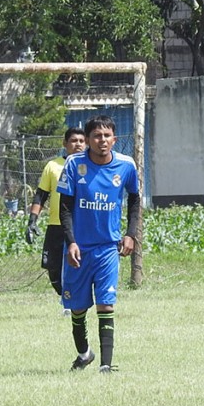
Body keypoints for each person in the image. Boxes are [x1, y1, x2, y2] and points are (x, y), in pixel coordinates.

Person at [57, 115, 141, 374]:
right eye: (96, 136)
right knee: (78, 308)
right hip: (79, 249)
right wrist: (71, 242)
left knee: (106, 304)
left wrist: (130, 234)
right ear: (88, 140)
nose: (102, 140)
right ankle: (85, 354)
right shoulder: (74, 164)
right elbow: (65, 207)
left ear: (114, 139)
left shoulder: (126, 166)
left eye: (106, 136)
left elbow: (135, 200)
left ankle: (106, 365)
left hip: (107, 248)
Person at [25, 127, 87, 297]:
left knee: (80, 265)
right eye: (73, 141)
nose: (78, 144)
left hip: (81, 227)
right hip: (56, 225)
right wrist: (32, 221)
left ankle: (76, 300)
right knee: (53, 267)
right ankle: (65, 297)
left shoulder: (90, 165)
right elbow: (41, 195)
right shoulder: (53, 166)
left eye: (81, 141)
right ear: (64, 143)